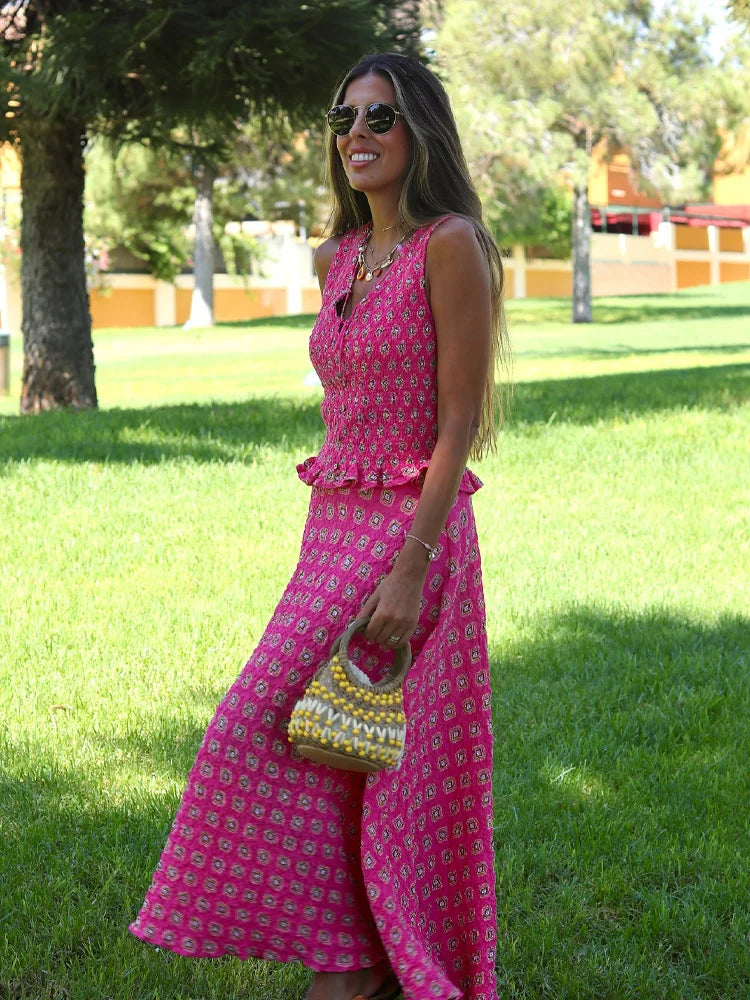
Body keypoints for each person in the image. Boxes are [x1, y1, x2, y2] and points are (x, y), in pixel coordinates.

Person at [129, 52, 508, 1000]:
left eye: (380, 118)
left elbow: (458, 421)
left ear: (421, 130)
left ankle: (377, 960)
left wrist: (414, 570)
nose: (357, 137)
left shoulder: (451, 242)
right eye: (344, 119)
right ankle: (353, 958)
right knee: (321, 748)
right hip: (329, 528)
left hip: (408, 536)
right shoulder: (342, 255)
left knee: (272, 729)